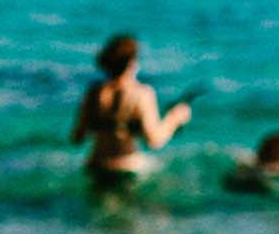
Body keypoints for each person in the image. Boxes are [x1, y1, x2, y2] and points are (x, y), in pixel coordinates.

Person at [70, 32, 190, 184]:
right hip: (127, 167)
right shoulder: (142, 94)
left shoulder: (94, 92)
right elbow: (154, 140)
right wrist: (175, 118)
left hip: (97, 165)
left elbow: (77, 138)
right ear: (132, 62)